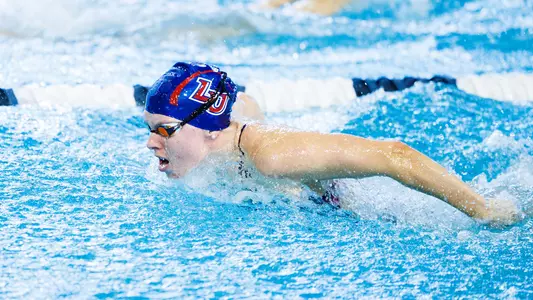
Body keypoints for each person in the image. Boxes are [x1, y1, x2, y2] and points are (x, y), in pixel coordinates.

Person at [144, 62, 524, 228]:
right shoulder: (216, 134)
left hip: (349, 210)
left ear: (209, 128)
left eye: (162, 130)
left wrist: (484, 209)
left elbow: (394, 155)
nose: (149, 143)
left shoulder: (274, 158)